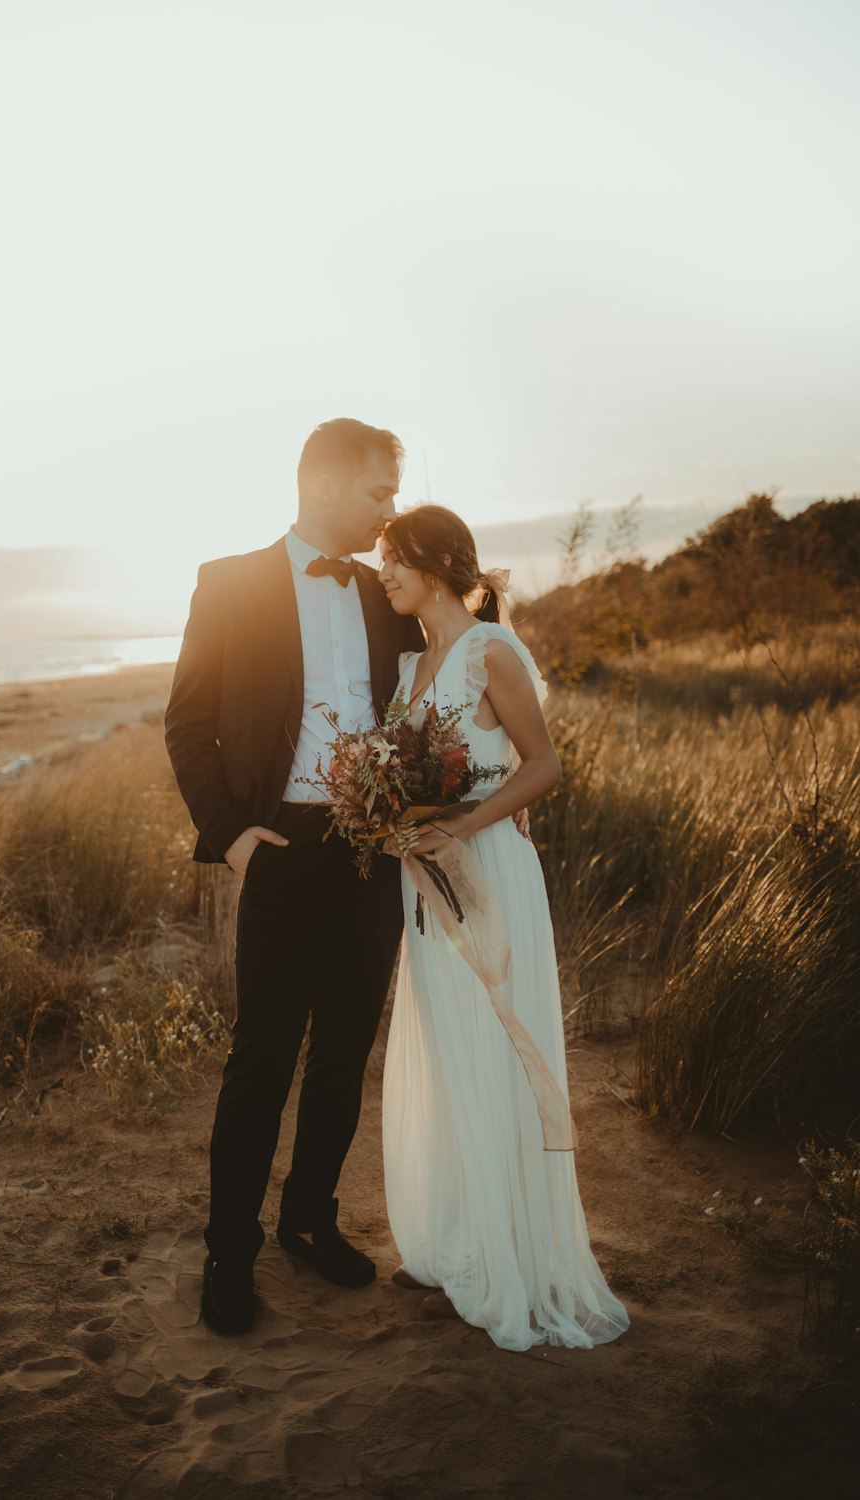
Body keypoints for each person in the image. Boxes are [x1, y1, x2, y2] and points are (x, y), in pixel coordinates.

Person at [164, 418, 424, 1335]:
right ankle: (228, 1255)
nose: (390, 512)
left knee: (346, 1048)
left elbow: (450, 670)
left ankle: (309, 1220)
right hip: (279, 849)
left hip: (371, 854)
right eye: (378, 493)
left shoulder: (389, 593)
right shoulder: (228, 585)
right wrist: (232, 837)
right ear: (324, 488)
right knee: (261, 1058)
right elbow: (188, 725)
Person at [377, 504, 630, 1351]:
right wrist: (389, 822)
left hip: (488, 876)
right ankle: (459, 1242)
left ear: (437, 563)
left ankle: (508, 1252)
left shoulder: (492, 650)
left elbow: (545, 764)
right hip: (427, 883)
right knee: (453, 1054)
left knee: (493, 1047)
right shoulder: (413, 664)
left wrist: (467, 823)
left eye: (393, 561)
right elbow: (401, 776)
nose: (383, 574)